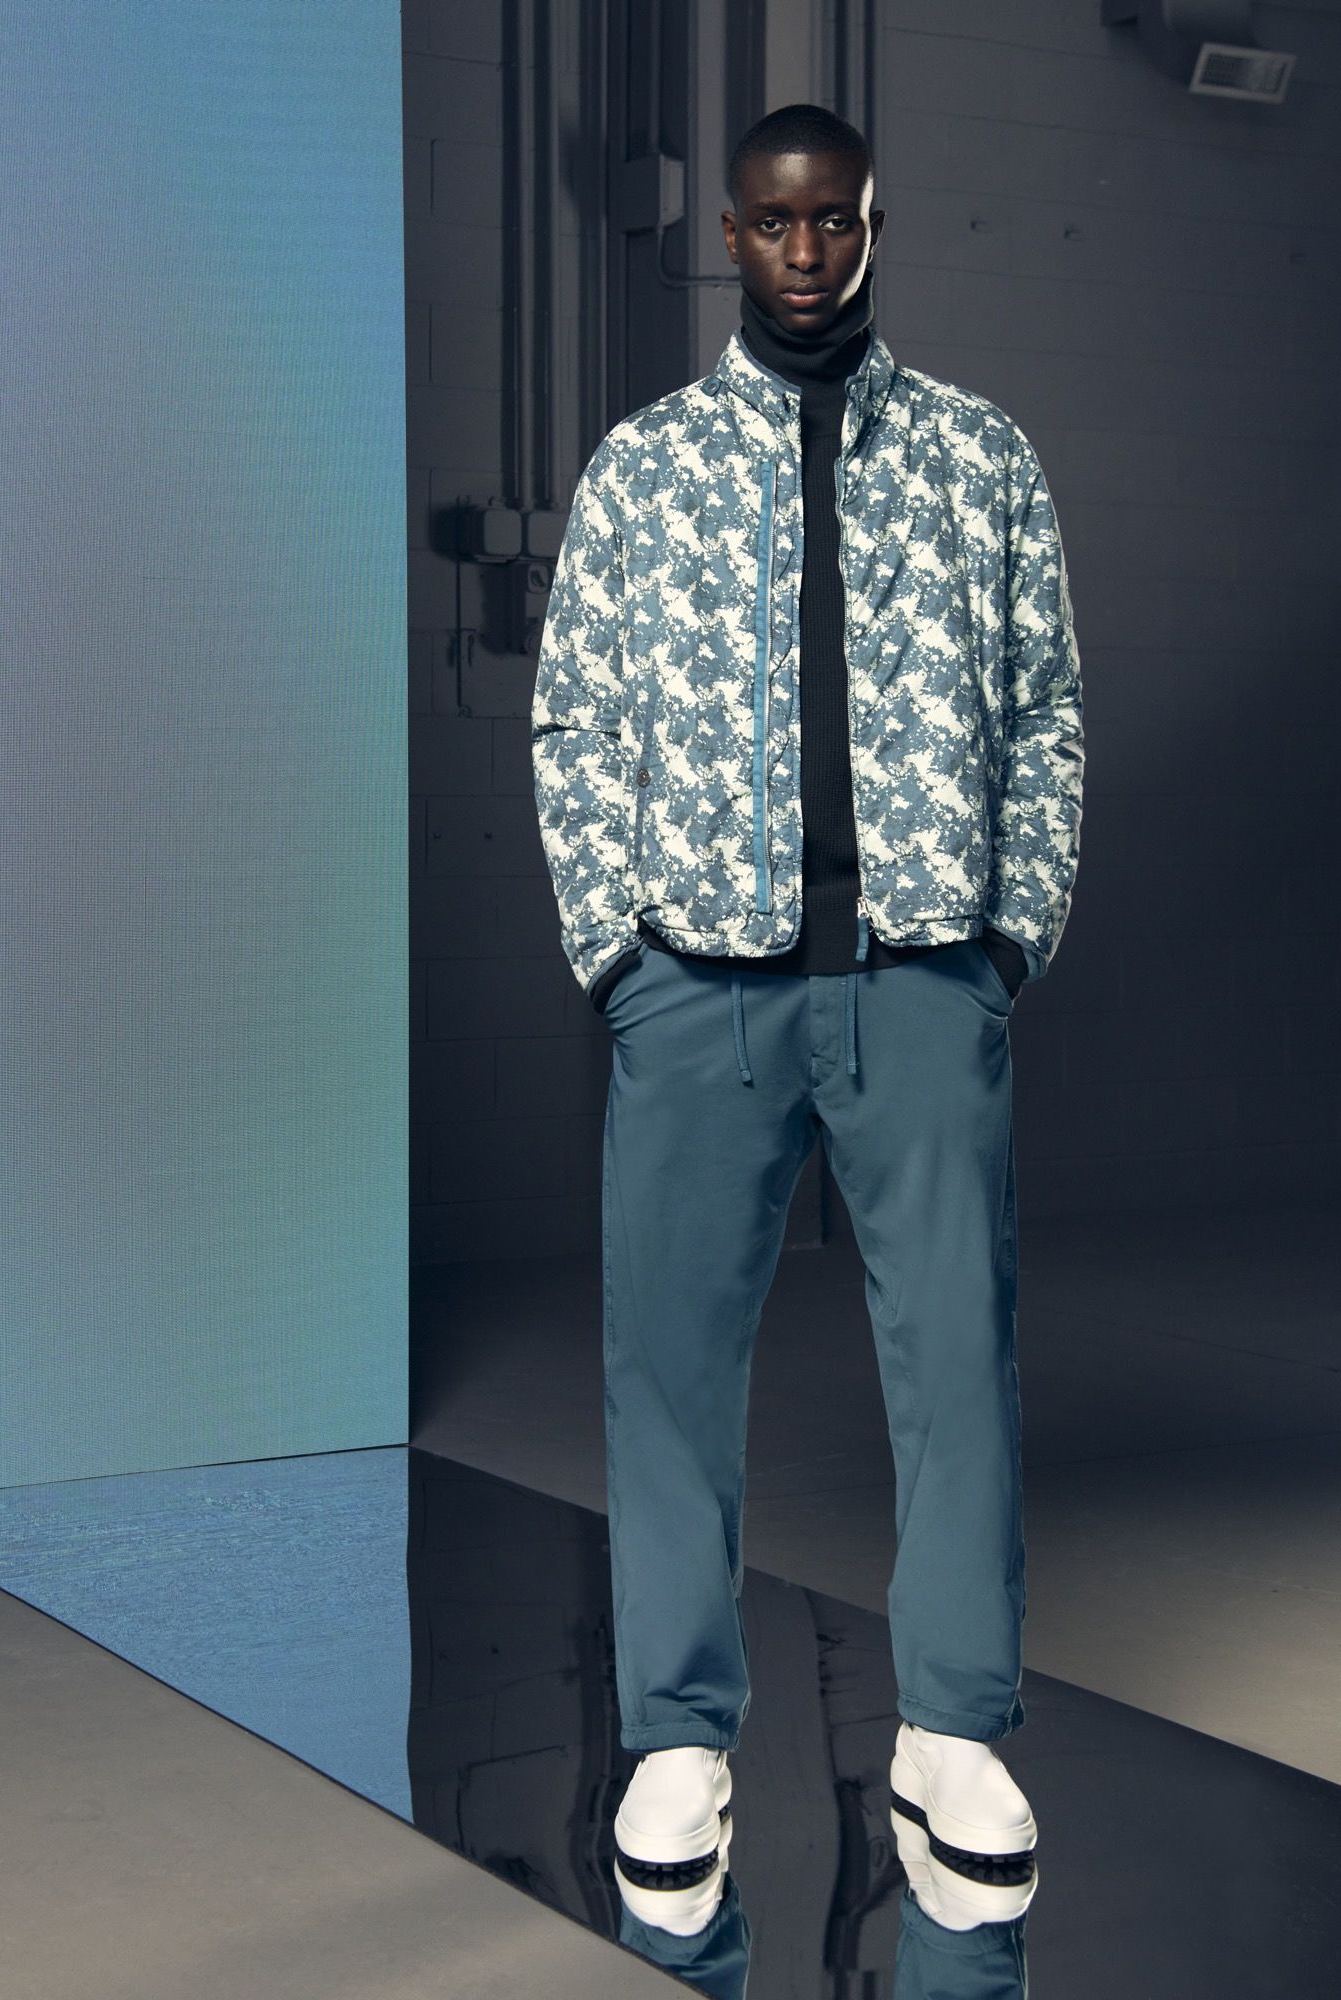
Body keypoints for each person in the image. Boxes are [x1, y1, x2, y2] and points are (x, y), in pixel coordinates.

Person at [530, 103, 1083, 1935]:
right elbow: (575, 717)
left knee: (960, 1356)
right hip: (701, 987)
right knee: (670, 1367)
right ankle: (678, 1738)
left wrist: (1004, 942)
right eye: (775, 225)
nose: (806, 252)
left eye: (835, 220)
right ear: (732, 238)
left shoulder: (982, 458)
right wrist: (619, 959)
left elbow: (1048, 711)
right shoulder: (645, 469)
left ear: (872, 224)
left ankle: (955, 1730)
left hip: (919, 978)